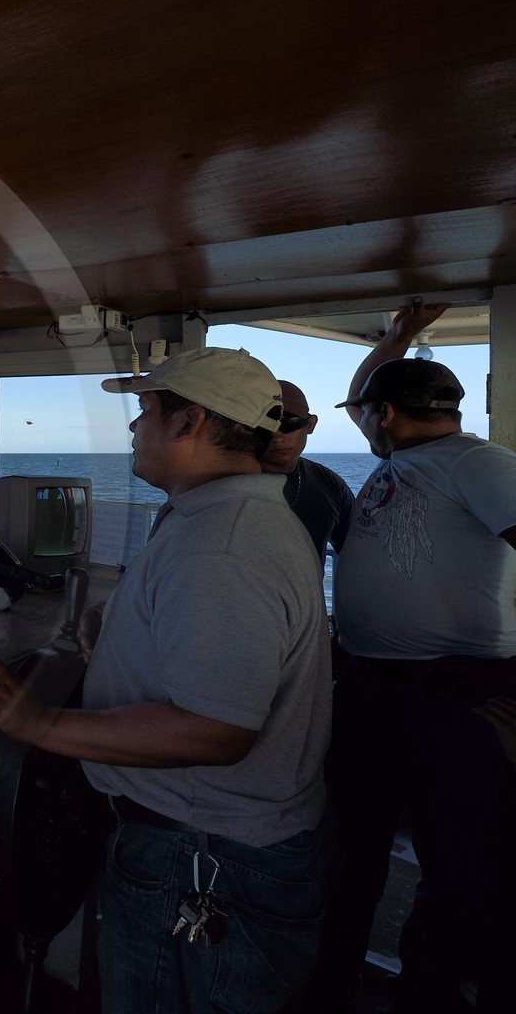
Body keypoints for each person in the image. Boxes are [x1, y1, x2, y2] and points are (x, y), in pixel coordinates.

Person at [0, 346, 332, 1014]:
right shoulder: (221, 520)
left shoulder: (223, 544)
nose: (134, 427)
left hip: (204, 861)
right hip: (210, 845)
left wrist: (39, 724)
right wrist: (126, 638)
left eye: (145, 411)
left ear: (188, 423)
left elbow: (218, 731)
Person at [309, 300, 516, 1013]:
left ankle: (428, 999)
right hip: (371, 691)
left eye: (370, 413)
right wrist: (396, 340)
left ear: (386, 416)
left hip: (452, 701)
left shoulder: (480, 465)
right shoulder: (404, 453)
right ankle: (330, 987)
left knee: (457, 870)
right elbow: (373, 390)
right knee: (351, 852)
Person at [263, 380, 353, 566]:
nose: (277, 434)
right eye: (265, 424)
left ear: (310, 424)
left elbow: (357, 555)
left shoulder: (330, 485)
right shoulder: (225, 482)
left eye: (290, 422)